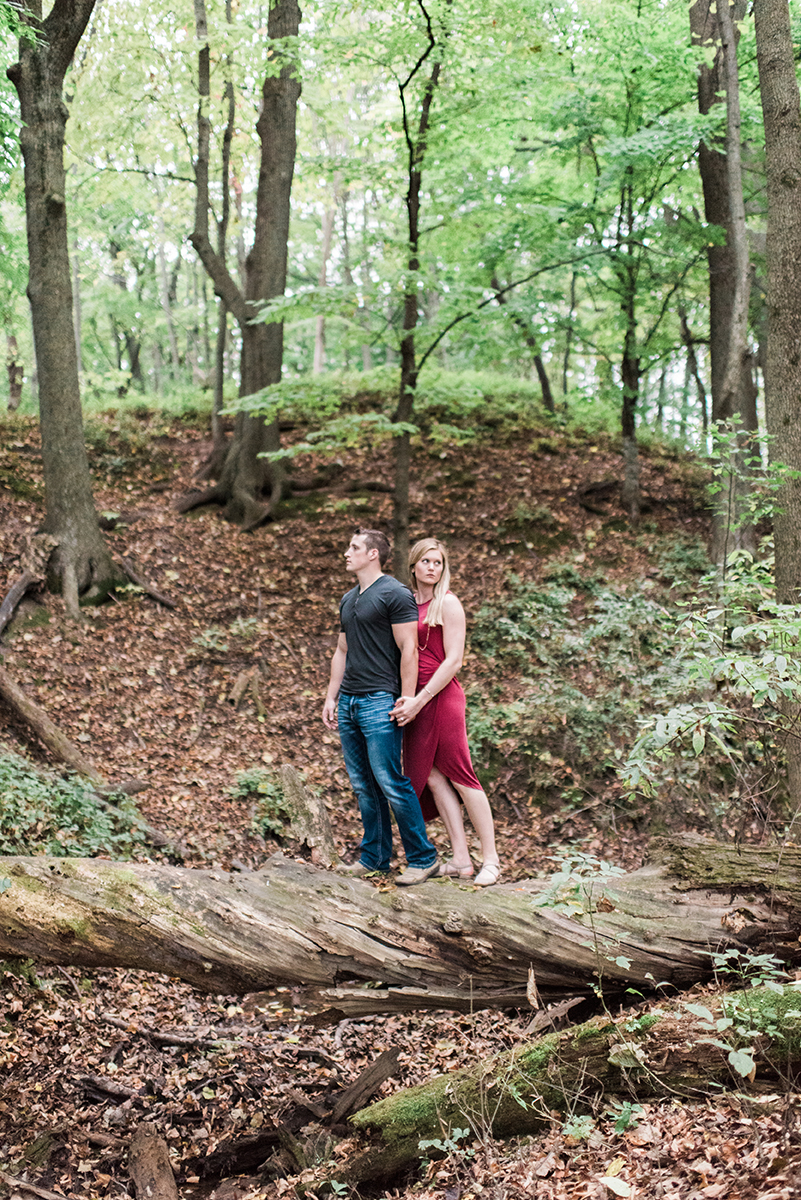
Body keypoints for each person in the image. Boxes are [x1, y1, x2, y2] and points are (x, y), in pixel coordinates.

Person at [322, 528, 440, 885]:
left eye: (354, 547)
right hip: (350, 702)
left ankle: (423, 857)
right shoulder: (348, 599)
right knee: (363, 785)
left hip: (379, 700)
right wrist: (332, 695)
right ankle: (374, 857)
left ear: (373, 554)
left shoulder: (394, 593)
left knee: (390, 780)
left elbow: (408, 648)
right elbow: (342, 651)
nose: (347, 552)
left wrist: (407, 697)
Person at [390, 538, 501, 886]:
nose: (432, 568)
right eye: (426, 561)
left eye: (438, 562)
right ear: (413, 565)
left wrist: (420, 699)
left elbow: (453, 660)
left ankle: (492, 861)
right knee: (433, 778)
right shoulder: (407, 603)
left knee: (461, 776)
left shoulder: (448, 603)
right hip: (413, 701)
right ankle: (462, 860)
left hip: (440, 698)